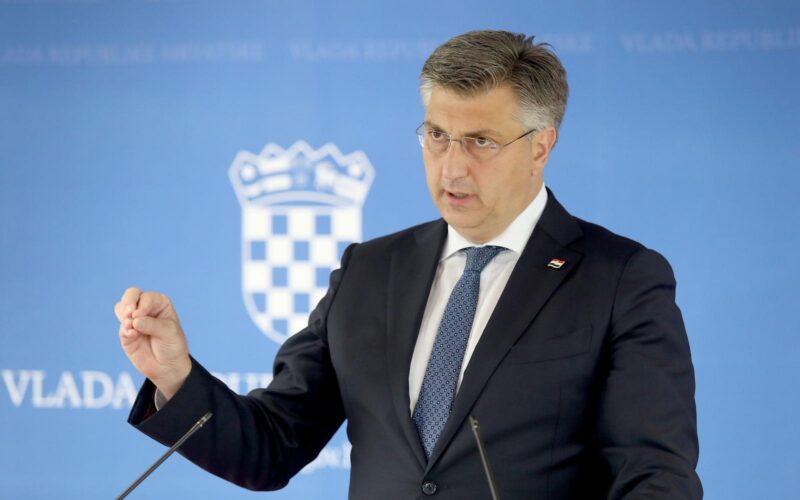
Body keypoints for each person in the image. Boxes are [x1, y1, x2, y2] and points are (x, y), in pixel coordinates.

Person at [115, 30, 702, 499]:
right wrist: (176, 377)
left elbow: (654, 478)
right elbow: (271, 446)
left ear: (540, 146)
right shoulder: (370, 271)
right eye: (437, 135)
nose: (452, 167)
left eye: (481, 141)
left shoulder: (618, 278)